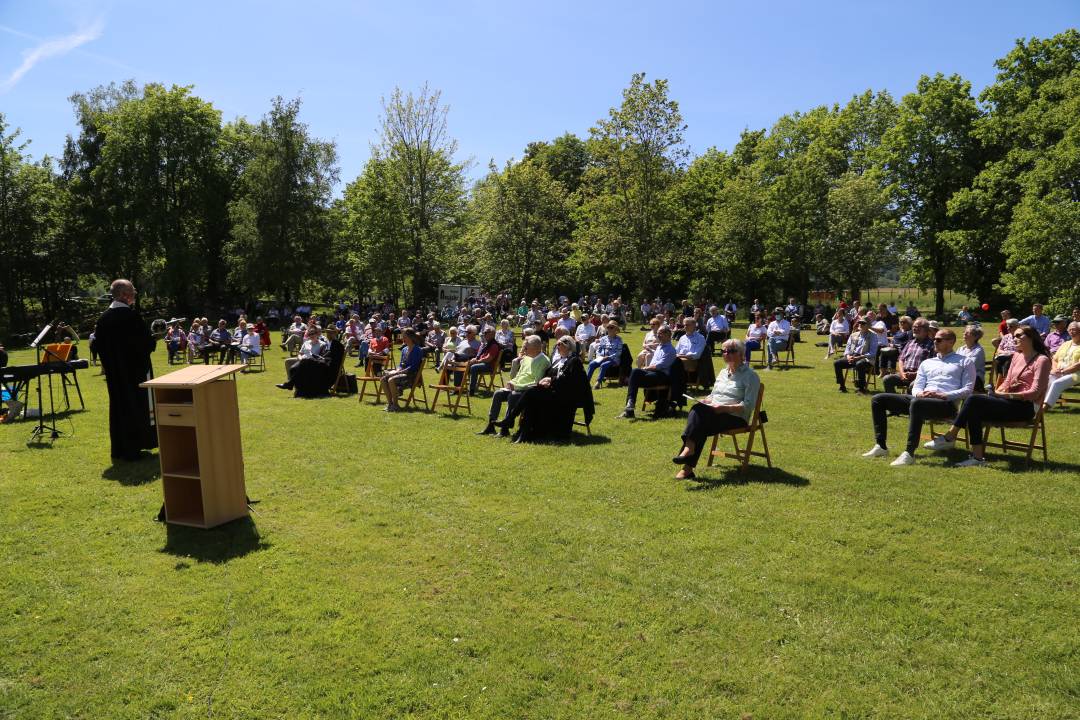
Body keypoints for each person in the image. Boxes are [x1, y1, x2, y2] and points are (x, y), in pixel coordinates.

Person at [926, 324, 1051, 466]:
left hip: (1026, 408)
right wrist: (998, 392)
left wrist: (1006, 395)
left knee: (974, 399)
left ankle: (950, 436)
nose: (1013, 338)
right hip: (1008, 403)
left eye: (1018, 335)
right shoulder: (1017, 356)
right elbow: (1007, 381)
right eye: (1013, 335)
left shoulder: (1042, 360)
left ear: (1031, 338)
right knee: (974, 409)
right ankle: (977, 458)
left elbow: (1035, 392)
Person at [862, 328, 975, 466]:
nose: (935, 342)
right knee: (878, 399)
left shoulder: (965, 362)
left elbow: (968, 390)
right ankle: (881, 446)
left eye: (938, 340)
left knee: (917, 403)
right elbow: (917, 386)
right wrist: (918, 393)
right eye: (934, 339)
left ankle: (909, 453)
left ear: (951, 341)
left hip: (946, 404)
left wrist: (943, 395)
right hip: (921, 399)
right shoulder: (927, 363)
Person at [670, 339, 761, 480]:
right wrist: (706, 400)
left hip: (736, 417)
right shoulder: (723, 373)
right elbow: (714, 395)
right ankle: (688, 460)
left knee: (699, 418)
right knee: (699, 411)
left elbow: (749, 405)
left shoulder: (751, 376)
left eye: (731, 351)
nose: (727, 354)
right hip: (714, 412)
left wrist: (724, 408)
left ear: (742, 354)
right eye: (724, 351)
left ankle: (688, 457)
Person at [94, 279, 157, 461]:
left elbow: (97, 347)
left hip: (115, 375)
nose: (135, 295)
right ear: (123, 295)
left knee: (118, 409)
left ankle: (120, 449)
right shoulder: (131, 317)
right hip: (135, 373)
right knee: (136, 408)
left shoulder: (103, 319)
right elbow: (146, 343)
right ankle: (135, 448)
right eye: (132, 292)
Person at [513, 336, 595, 443]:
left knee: (531, 393)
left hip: (566, 395)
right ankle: (524, 433)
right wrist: (543, 380)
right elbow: (548, 374)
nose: (557, 346)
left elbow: (569, 380)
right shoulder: (557, 361)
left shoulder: (574, 361)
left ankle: (514, 422)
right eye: (557, 344)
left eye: (560, 344)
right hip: (553, 392)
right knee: (531, 395)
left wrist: (550, 380)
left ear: (568, 346)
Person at [478, 335, 550, 437]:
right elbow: (519, 376)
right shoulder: (526, 358)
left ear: (535, 348)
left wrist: (516, 386)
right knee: (498, 393)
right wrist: (512, 382)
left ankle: (505, 428)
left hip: (528, 391)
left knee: (512, 395)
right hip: (517, 387)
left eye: (526, 347)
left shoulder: (544, 361)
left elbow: (536, 382)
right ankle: (491, 425)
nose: (524, 349)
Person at [618, 326, 676, 419]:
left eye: (661, 333)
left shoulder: (670, 350)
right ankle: (630, 405)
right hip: (653, 373)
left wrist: (645, 368)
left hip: (662, 376)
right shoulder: (660, 346)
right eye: (658, 333)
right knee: (635, 372)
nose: (658, 335)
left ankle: (629, 409)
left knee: (635, 375)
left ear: (668, 335)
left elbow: (658, 366)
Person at [880, 317, 933, 394]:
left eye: (918, 327)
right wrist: (902, 373)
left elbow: (931, 365)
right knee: (887, 379)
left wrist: (915, 374)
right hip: (904, 374)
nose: (914, 329)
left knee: (912, 386)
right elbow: (901, 359)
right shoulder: (910, 343)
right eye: (914, 327)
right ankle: (893, 401)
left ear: (926, 330)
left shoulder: (931, 345)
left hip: (920, 377)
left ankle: (908, 403)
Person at [381, 329, 424, 412]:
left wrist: (398, 372)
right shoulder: (404, 349)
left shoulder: (418, 350)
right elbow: (401, 364)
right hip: (402, 373)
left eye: (404, 336)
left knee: (391, 379)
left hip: (411, 376)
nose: (403, 338)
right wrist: (396, 370)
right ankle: (390, 404)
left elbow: (413, 367)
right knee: (383, 379)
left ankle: (396, 405)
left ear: (411, 337)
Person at [834, 318, 879, 393]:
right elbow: (847, 348)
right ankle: (842, 386)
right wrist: (848, 356)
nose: (860, 325)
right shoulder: (853, 335)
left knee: (859, 364)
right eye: (859, 323)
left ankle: (861, 388)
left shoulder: (873, 336)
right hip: (853, 357)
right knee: (837, 363)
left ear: (868, 325)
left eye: (863, 323)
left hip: (866, 358)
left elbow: (873, 352)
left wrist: (859, 357)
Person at [1043, 321, 1080, 407]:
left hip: (1076, 374)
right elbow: (1055, 359)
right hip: (1060, 372)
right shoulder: (1066, 344)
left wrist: (1064, 371)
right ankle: (1037, 405)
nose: (1071, 332)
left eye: (1074, 330)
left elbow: (1078, 365)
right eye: (1070, 330)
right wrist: (1055, 369)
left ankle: (1044, 408)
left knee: (1057, 383)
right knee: (1046, 379)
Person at [587, 322, 624, 389]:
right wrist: (599, 356)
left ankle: (598, 382)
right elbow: (599, 349)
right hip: (602, 357)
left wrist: (608, 357)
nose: (609, 329)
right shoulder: (603, 338)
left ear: (615, 330)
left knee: (603, 365)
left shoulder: (619, 340)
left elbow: (619, 352)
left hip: (613, 359)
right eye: (608, 327)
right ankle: (586, 383)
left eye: (611, 327)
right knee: (591, 364)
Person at [466, 327, 502, 395]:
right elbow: (479, 355)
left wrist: (478, 361)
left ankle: (471, 390)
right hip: (483, 363)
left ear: (492, 334)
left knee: (474, 367)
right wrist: (475, 359)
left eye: (486, 333)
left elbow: (489, 359)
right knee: (466, 364)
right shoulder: (486, 344)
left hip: (489, 366)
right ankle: (460, 387)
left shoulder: (494, 345)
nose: (484, 335)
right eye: (484, 333)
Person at [956, 324, 987, 392]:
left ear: (975, 337)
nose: (964, 334)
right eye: (964, 332)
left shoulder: (978, 350)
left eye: (968, 333)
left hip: (974, 380)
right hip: (961, 376)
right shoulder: (961, 349)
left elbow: (970, 366)